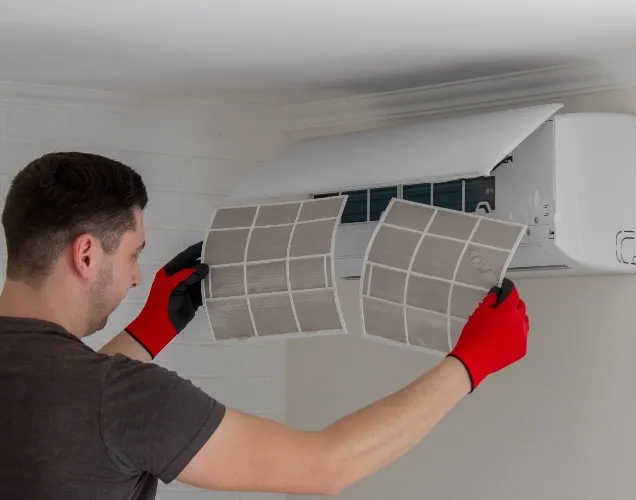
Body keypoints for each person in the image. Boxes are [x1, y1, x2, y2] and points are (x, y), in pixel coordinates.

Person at [0, 152, 530, 500]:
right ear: (87, 254)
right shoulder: (119, 398)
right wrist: (469, 365)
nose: (138, 278)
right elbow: (325, 465)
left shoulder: (85, 392)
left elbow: (68, 409)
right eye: (134, 255)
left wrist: (149, 332)